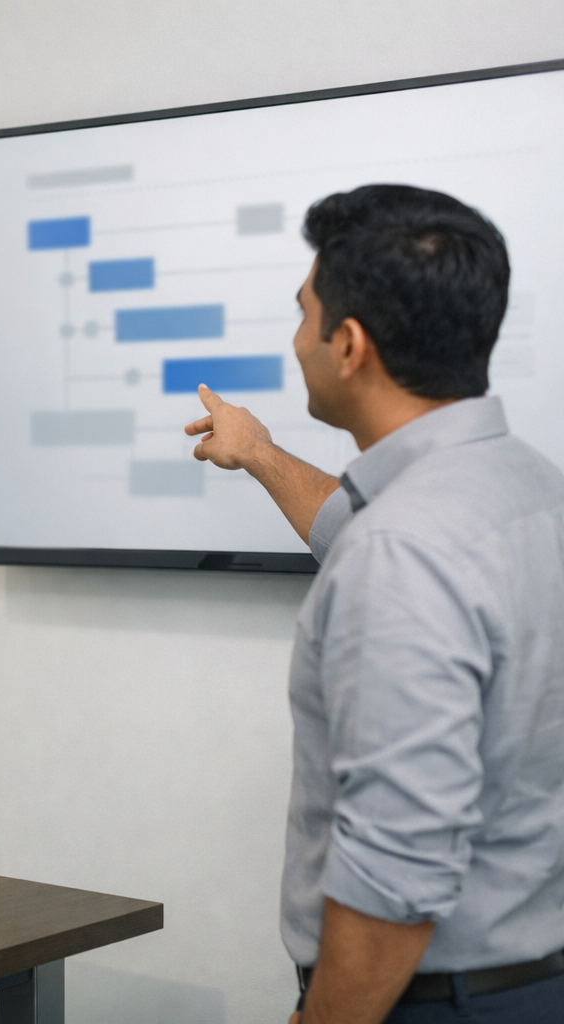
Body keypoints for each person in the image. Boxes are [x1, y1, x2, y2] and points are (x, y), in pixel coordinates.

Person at [186, 184, 564, 1023]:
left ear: (349, 344)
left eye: (302, 314)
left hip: (428, 1001)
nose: (295, 340)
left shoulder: (403, 552)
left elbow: (396, 871)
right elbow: (366, 529)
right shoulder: (529, 489)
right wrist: (259, 453)